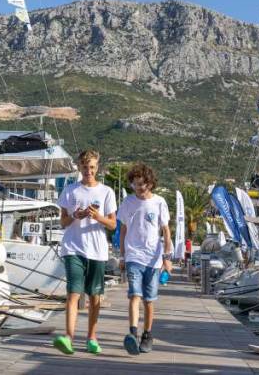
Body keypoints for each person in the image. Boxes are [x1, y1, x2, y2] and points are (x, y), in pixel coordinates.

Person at [51, 150, 116, 356]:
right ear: (79, 167)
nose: (89, 171)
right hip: (73, 248)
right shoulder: (70, 190)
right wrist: (75, 215)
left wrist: (97, 217)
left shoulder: (106, 192)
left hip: (97, 251)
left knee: (95, 296)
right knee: (73, 293)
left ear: (97, 168)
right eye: (85, 167)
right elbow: (63, 222)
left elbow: (113, 224)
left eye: (92, 167)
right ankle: (68, 337)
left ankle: (91, 337)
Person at [117, 162, 172, 355]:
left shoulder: (159, 202)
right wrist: (122, 256)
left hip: (153, 259)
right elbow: (123, 230)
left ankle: (147, 335)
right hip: (133, 255)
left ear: (150, 183)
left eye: (141, 184)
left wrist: (167, 257)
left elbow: (166, 231)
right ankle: (132, 334)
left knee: (149, 300)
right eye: (134, 184)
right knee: (134, 295)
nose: (138, 188)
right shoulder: (128, 202)